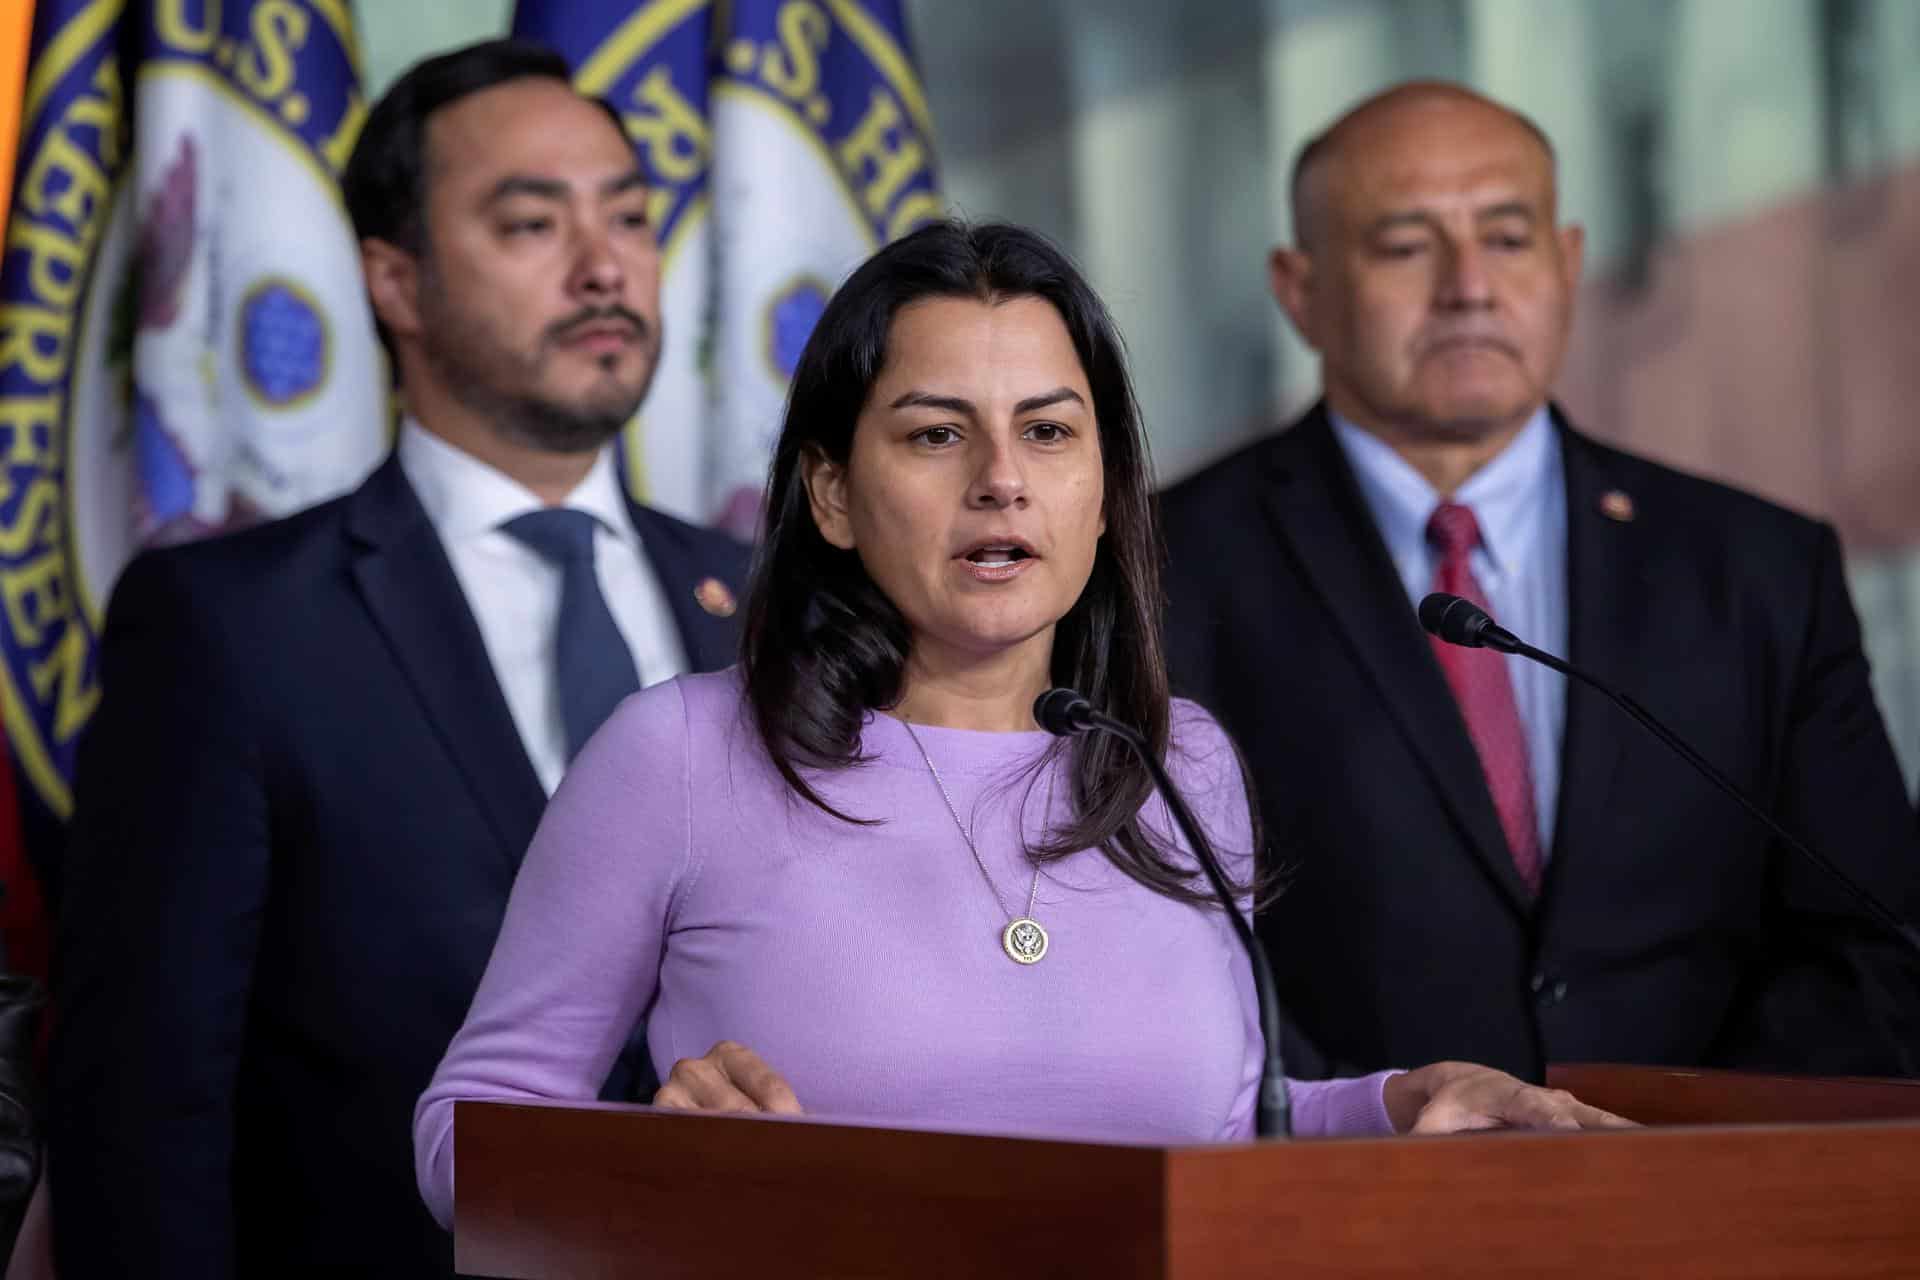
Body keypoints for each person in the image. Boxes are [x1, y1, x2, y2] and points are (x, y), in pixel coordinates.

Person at [412, 219, 1629, 1228]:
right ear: (833, 491)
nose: (1002, 476)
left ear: (1102, 490)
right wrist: (659, 1163)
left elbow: (1217, 1127)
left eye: (1049, 430)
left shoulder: (1179, 757)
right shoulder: (679, 753)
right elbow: (465, 1126)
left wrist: (1399, 1102)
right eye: (938, 432)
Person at [50, 40, 749, 1278]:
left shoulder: (767, 604)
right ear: (396, 282)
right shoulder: (233, 625)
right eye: (531, 223)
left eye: (631, 217)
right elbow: (147, 1111)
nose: (606, 265)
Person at [1161, 82, 1920, 1082]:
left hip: (1707, 1196)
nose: (1468, 285)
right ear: (1300, 290)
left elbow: (1878, 943)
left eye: (1508, 238)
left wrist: (1669, 1147)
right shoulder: (1161, 565)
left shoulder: (1760, 572)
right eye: (1404, 245)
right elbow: (1157, 957)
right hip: (1340, 1201)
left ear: (1568, 264)